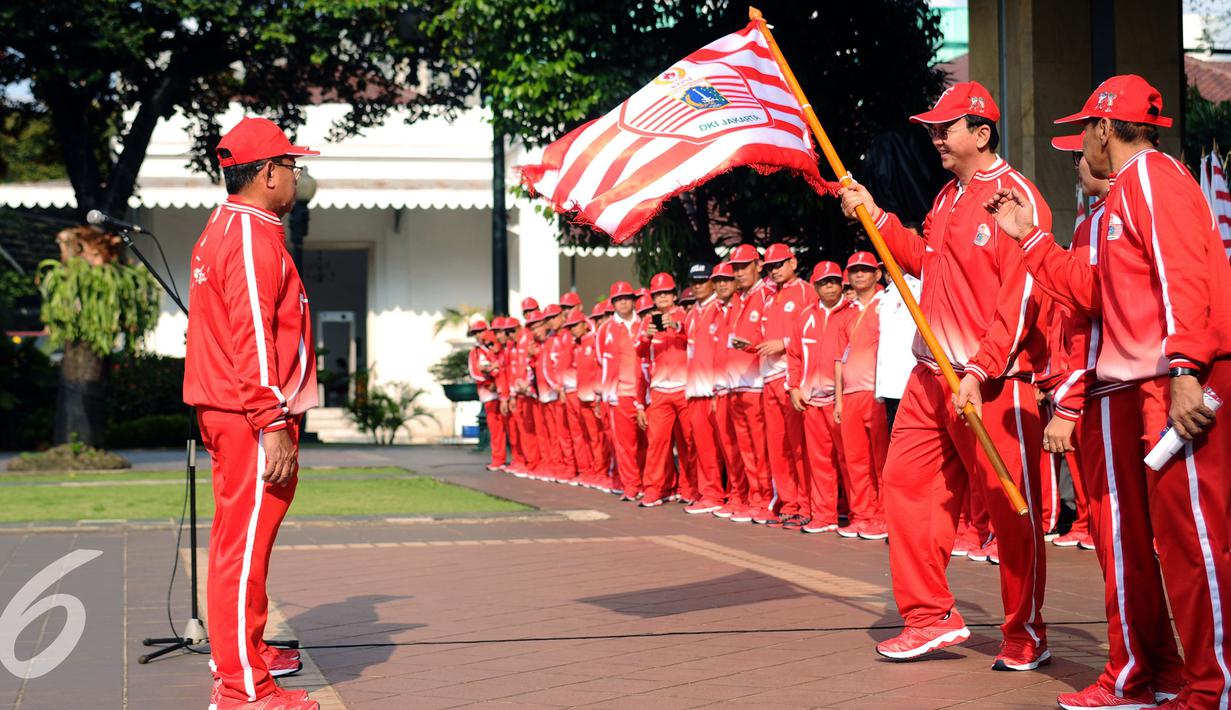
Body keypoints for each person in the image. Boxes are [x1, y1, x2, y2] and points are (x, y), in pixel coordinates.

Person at [986, 74, 1229, 709]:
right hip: (1145, 386)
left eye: (1082, 136)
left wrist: (1183, 370)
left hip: (1171, 383)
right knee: (1174, 545)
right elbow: (1093, 295)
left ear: (1101, 129)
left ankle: (1212, 689)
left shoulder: (1149, 178)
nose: (1080, 155)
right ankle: (1184, 679)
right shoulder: (1125, 195)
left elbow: (1184, 275)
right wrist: (1030, 239)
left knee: (1196, 542)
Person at [839, 81, 1053, 670]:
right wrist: (874, 214)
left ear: (982, 133)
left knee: (1010, 511)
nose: (935, 137)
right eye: (933, 128)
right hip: (930, 377)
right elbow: (920, 260)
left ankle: (1024, 633)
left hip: (992, 383)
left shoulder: (1015, 199)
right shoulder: (946, 197)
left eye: (945, 128)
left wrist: (982, 369)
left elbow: (1023, 295)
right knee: (905, 490)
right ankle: (929, 617)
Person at [183, 116, 320, 710]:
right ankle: (243, 689)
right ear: (267, 174)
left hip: (234, 408)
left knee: (238, 541)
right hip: (247, 413)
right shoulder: (248, 235)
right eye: (291, 165)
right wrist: (271, 421)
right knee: (242, 547)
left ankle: (242, 652)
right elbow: (254, 337)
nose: (297, 176)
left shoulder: (231, 225)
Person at [748, 244, 816, 527]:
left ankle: (807, 503)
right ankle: (788, 502)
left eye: (779, 264)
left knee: (799, 445)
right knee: (778, 445)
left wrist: (784, 344)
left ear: (793, 261)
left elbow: (814, 333)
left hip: (792, 378)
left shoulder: (805, 291)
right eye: (770, 267)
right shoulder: (767, 297)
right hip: (768, 378)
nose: (774, 270)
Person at [787, 261, 853, 534]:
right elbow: (793, 355)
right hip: (812, 401)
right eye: (824, 283)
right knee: (820, 460)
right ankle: (824, 515)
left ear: (841, 284)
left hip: (843, 400)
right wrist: (793, 387)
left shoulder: (852, 313)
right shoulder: (804, 316)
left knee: (850, 460)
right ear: (814, 286)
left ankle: (861, 514)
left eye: (834, 282)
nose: (829, 287)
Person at [833, 252, 890, 541]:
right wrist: (839, 400)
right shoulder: (846, 311)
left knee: (881, 459)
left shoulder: (888, 303)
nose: (858, 276)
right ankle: (861, 515)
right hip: (852, 394)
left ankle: (882, 517)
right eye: (854, 271)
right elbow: (838, 359)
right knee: (855, 460)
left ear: (877, 275)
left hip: (878, 394)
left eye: (865, 271)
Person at [727, 244, 777, 524]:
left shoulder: (767, 294)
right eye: (735, 268)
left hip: (759, 382)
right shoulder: (739, 297)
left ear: (758, 266)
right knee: (745, 447)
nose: (739, 273)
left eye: (744, 266)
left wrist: (751, 346)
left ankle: (766, 497)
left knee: (761, 448)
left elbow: (770, 335)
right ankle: (754, 497)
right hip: (738, 384)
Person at [638, 273, 692, 506]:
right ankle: (653, 491)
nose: (661, 297)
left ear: (673, 295)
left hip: (684, 389)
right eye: (657, 294)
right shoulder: (647, 321)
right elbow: (638, 353)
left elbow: (694, 340)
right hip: (659, 390)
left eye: (665, 293)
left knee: (689, 443)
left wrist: (677, 326)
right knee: (657, 444)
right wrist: (646, 338)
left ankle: (689, 489)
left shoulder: (686, 316)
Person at [683, 263, 726, 514]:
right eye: (694, 281)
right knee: (703, 447)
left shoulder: (719, 309)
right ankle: (710, 493)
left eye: (702, 280)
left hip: (715, 390)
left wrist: (717, 388)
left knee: (727, 447)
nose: (698, 285)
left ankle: (725, 494)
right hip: (695, 391)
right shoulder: (691, 314)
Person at [709, 262, 749, 520]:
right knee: (730, 448)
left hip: (743, 385)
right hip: (722, 387)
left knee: (745, 448)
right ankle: (736, 494)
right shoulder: (719, 310)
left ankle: (747, 497)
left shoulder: (741, 305)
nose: (722, 284)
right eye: (718, 280)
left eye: (727, 279)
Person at [601, 282, 645, 500]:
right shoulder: (605, 329)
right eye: (619, 299)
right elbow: (602, 360)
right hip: (621, 395)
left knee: (649, 443)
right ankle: (632, 486)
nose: (623, 302)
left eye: (627, 298)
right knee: (626, 446)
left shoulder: (644, 323)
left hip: (646, 393)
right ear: (613, 303)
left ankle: (651, 483)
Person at [468, 319, 507, 472]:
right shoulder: (475, 352)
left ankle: (520, 460)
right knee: (495, 428)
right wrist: (488, 382)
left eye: (481, 331)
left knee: (512, 428)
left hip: (505, 392)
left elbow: (505, 365)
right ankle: (498, 460)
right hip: (489, 394)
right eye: (475, 333)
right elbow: (474, 372)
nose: (479, 335)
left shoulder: (498, 347)